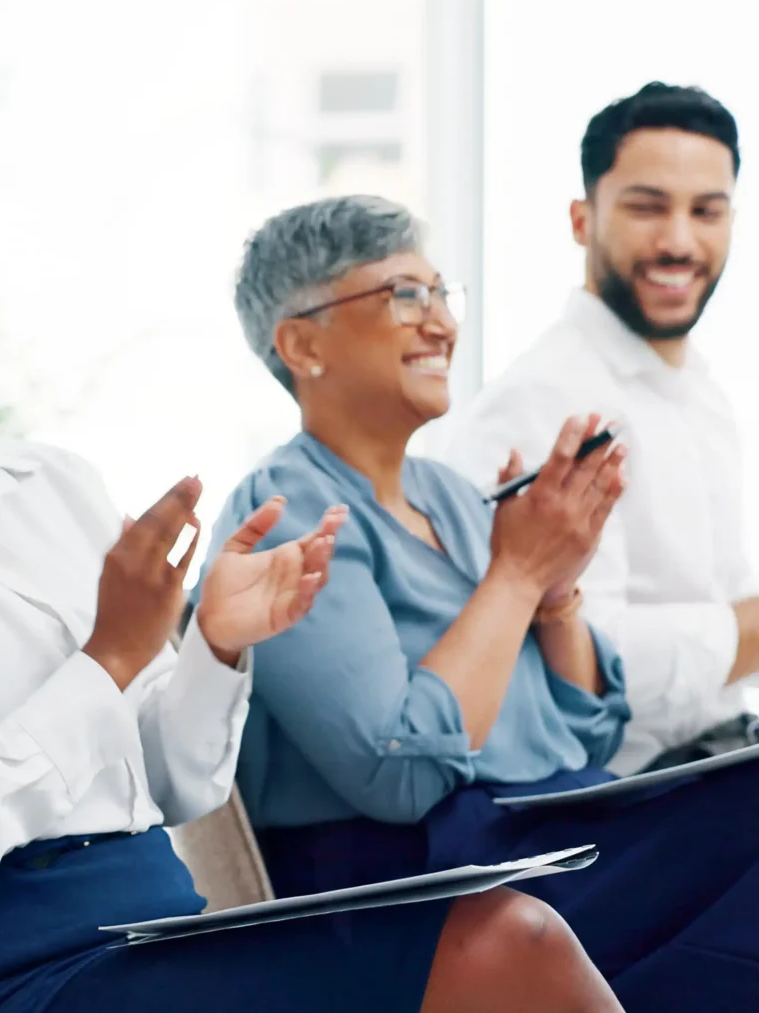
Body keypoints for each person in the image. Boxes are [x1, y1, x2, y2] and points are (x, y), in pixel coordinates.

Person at [0, 189, 618, 1013]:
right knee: (507, 944)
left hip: (157, 929)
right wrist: (114, 654)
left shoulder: (54, 482)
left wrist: (213, 646)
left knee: (507, 933)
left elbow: (170, 782)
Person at [216, 193, 759, 1009]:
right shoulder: (288, 510)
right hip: (418, 875)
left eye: (442, 295)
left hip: (554, 832)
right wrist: (514, 575)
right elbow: (397, 769)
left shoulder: (455, 500)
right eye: (404, 296)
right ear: (302, 343)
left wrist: (556, 588)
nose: (440, 324)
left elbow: (586, 723)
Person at [432, 82, 757, 774]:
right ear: (582, 219)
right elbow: (571, 661)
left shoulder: (705, 395)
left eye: (707, 211)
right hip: (618, 793)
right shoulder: (541, 401)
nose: (679, 240)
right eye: (647, 207)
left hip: (722, 757)